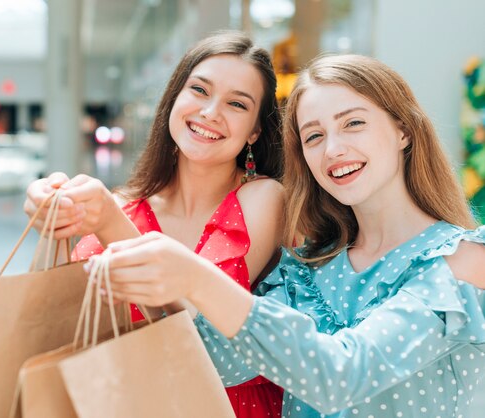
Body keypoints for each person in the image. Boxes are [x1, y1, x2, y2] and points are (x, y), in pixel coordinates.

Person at [98, 54, 485, 417]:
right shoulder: (309, 269)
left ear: (403, 131)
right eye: (314, 136)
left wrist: (195, 277)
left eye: (353, 123)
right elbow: (210, 361)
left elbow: (340, 375)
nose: (333, 148)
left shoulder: (463, 262)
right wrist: (110, 227)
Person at [25, 31, 286, 417]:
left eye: (236, 103)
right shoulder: (123, 205)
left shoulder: (262, 198)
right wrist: (51, 218)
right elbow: (43, 317)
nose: (211, 111)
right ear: (174, 99)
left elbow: (195, 334)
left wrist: (111, 224)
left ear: (254, 132)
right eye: (199, 90)